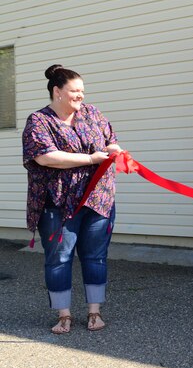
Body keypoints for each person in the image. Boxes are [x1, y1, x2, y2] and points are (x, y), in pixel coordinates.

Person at [22, 65, 121, 334]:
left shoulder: (92, 113)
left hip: (98, 200)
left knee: (96, 257)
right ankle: (64, 315)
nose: (81, 96)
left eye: (83, 91)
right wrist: (90, 159)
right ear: (57, 92)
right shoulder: (39, 121)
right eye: (75, 91)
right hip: (57, 202)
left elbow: (110, 140)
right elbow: (44, 156)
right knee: (59, 258)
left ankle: (94, 313)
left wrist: (116, 150)